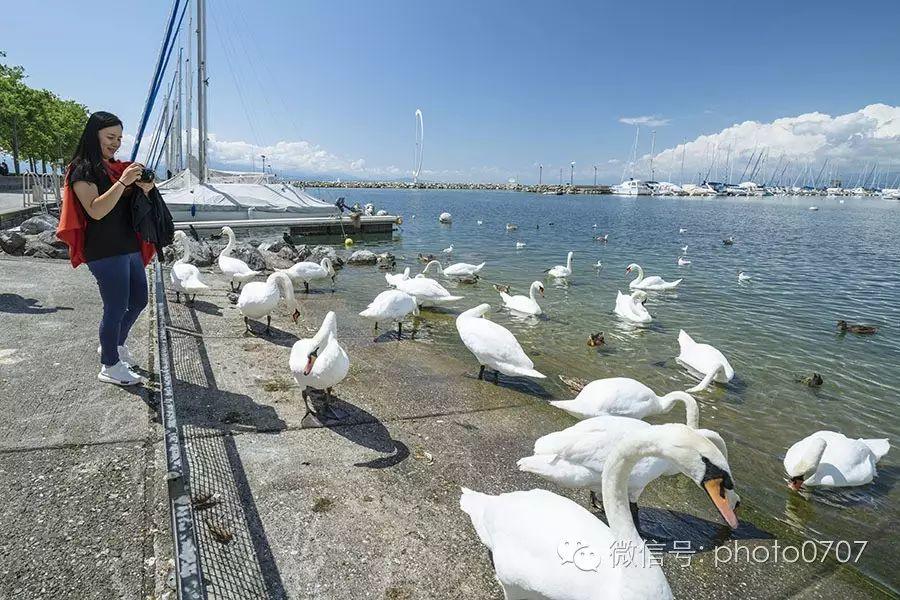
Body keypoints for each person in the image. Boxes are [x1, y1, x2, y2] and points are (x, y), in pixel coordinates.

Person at [57, 111, 157, 386]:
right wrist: (124, 182)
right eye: (110, 137)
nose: (115, 143)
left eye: (119, 138)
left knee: (138, 300)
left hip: (127, 243)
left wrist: (145, 188)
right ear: (94, 135)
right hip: (103, 248)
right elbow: (96, 210)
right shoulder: (82, 169)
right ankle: (109, 365)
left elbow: (128, 207)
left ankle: (115, 346)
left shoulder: (114, 167)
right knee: (115, 307)